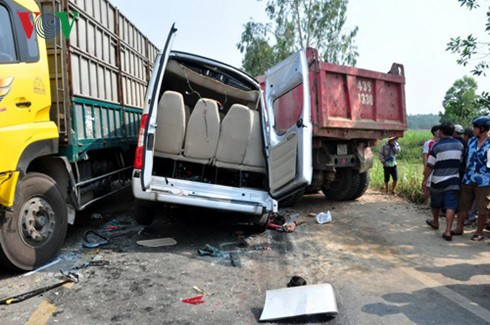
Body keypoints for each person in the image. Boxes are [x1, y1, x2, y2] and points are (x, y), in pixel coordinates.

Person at [422, 122, 464, 241]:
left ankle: (435, 222)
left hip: (438, 180)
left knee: (435, 203)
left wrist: (425, 180)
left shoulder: (436, 146)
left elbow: (430, 165)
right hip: (453, 180)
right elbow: (460, 162)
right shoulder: (460, 145)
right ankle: (448, 231)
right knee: (450, 205)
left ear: (441, 132)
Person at [452, 116, 490, 241]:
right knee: (463, 205)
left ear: (482, 128)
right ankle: (459, 228)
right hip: (468, 179)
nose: (473, 129)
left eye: (475, 127)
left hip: (484, 181)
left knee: (482, 208)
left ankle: (479, 232)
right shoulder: (471, 141)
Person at [422, 125, 440, 204]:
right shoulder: (429, 143)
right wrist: (425, 167)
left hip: (438, 167)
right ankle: (426, 201)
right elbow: (425, 156)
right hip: (430, 166)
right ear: (435, 132)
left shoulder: (440, 142)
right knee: (426, 184)